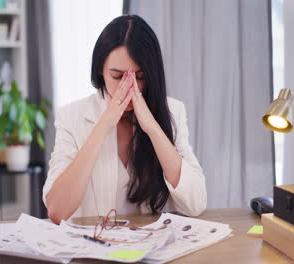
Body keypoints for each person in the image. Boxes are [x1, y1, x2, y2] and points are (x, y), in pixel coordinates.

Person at [43, 15, 207, 224]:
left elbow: (196, 204)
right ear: (100, 72)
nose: (130, 87)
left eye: (139, 77)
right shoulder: (71, 116)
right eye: (118, 76)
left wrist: (153, 129)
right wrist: (103, 126)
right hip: (93, 250)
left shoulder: (173, 111)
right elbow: (58, 211)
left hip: (151, 251)